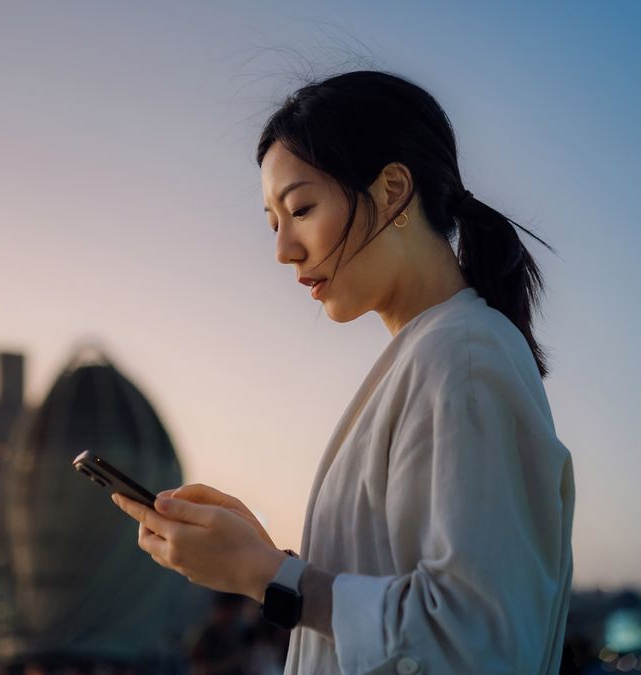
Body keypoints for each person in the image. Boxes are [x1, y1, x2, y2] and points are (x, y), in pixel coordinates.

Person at [112, 69, 576, 674]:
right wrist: (260, 559)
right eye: (273, 222)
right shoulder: (433, 355)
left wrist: (267, 574)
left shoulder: (461, 357)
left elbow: (475, 637)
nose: (283, 250)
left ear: (392, 190)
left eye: (301, 207)